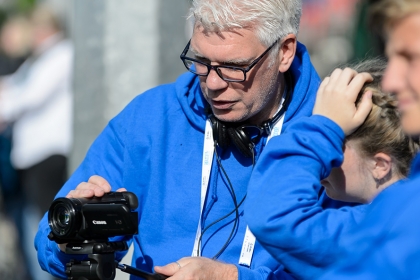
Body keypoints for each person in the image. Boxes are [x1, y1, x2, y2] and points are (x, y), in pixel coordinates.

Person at [34, 0, 339, 279]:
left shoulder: (334, 132)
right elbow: (47, 240)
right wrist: (76, 235)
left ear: (284, 52)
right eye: (201, 61)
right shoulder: (150, 117)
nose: (214, 83)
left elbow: (352, 268)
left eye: (234, 67)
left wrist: (233, 277)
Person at [244, 57, 419, 279]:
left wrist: (323, 128)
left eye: (334, 144)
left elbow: (273, 215)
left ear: (380, 165)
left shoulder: (388, 229)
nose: (322, 163)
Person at [320, 0, 420, 278]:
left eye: (410, 57)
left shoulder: (402, 214)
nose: (391, 82)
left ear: (380, 164)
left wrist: (321, 128)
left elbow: (278, 220)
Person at [0, 5, 73, 280]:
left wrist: (5, 104)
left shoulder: (61, 54)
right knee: (36, 226)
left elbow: (29, 95)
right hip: (31, 157)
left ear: (43, 28)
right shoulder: (42, 57)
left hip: (47, 155)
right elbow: (14, 86)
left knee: (48, 228)